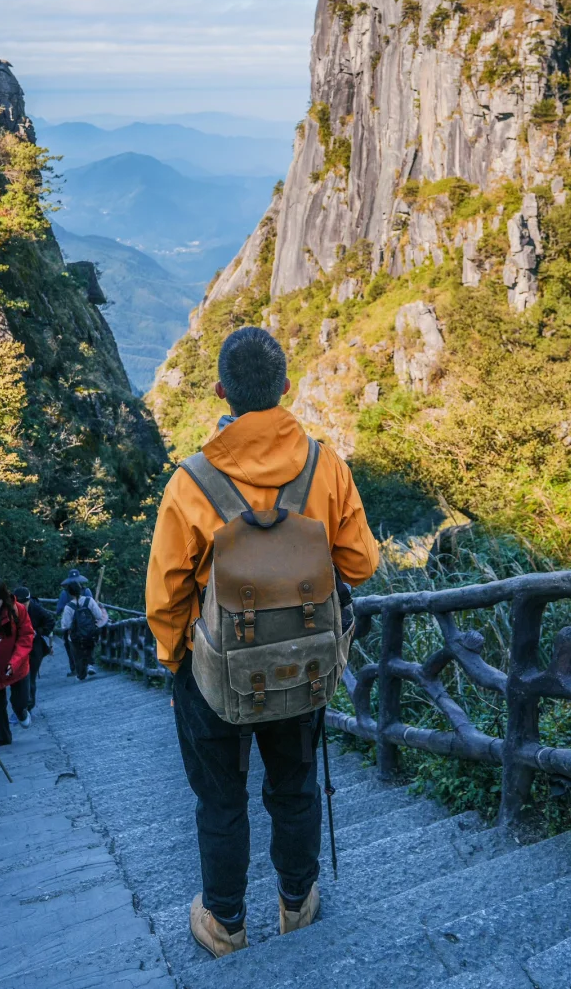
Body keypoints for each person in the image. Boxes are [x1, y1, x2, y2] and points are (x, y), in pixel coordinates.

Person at [145, 326, 380, 959]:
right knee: (294, 787)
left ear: (222, 390)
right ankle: (297, 904)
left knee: (220, 799)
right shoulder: (325, 466)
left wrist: (175, 665)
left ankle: (224, 923)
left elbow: (166, 598)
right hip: (301, 664)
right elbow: (358, 564)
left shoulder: (191, 483)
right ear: (284, 388)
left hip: (214, 671)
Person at [0, 576, 35, 743]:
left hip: (17, 665)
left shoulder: (17, 610)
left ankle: (21, 713)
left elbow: (26, 636)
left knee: (20, 701)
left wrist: (15, 661)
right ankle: (4, 736)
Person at [59, 578, 109, 681]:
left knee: (75, 649)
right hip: (91, 634)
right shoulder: (89, 600)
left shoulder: (68, 607)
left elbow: (65, 625)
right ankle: (91, 663)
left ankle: (81, 671)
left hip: (76, 638)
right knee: (90, 642)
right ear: (81, 589)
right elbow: (99, 615)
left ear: (69, 593)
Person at [14, 585, 54, 711]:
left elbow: (50, 621)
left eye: (25, 602)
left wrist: (39, 631)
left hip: (34, 647)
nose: (22, 605)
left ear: (29, 600)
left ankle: (29, 706)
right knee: (18, 678)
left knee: (30, 676)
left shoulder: (36, 609)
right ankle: (20, 705)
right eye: (19, 603)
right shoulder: (10, 610)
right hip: (17, 648)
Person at [56, 571, 88, 675]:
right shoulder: (87, 591)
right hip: (85, 623)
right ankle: (87, 665)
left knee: (69, 645)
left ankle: (74, 668)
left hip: (70, 625)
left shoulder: (65, 593)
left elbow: (59, 610)